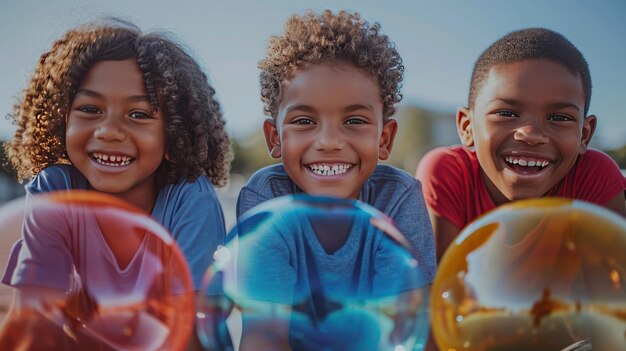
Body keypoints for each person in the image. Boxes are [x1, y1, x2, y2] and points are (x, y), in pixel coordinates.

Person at [233, 10, 435, 350]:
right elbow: (263, 334)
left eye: (354, 121)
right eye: (304, 121)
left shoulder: (398, 198)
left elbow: (409, 328)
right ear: (274, 137)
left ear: (384, 139)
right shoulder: (265, 198)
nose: (328, 141)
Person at [2, 18, 232, 292]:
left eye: (138, 114)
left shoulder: (190, 200)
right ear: (60, 120)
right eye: (90, 109)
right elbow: (35, 315)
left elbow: (193, 329)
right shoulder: (54, 188)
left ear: (173, 135)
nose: (109, 132)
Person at [416, 28, 626, 261]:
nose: (531, 134)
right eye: (506, 113)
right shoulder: (449, 173)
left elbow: (613, 284)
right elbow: (441, 286)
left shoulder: (593, 177)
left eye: (559, 117)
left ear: (584, 135)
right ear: (467, 127)